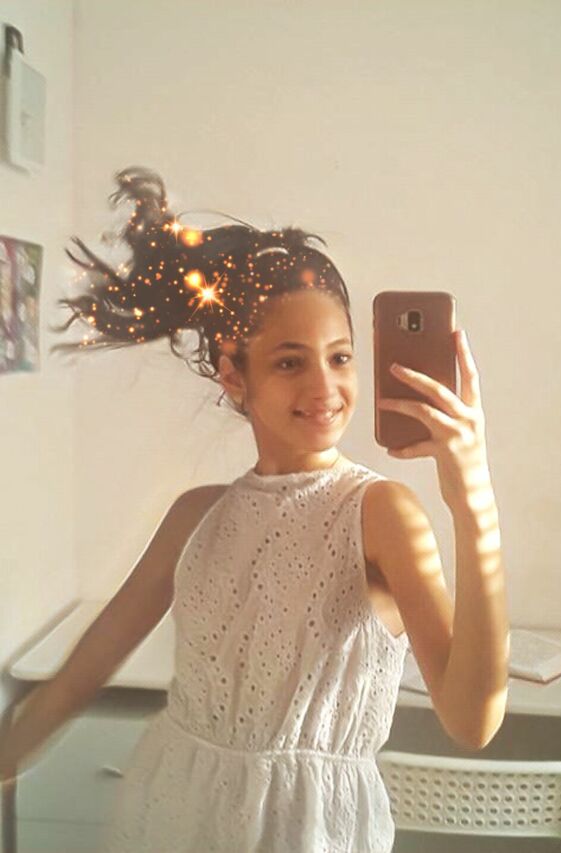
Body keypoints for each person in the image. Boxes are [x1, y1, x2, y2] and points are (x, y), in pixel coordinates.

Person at [0, 167, 509, 852]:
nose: (325, 387)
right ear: (233, 374)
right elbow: (80, 674)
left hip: (307, 832)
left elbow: (472, 721)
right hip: (172, 811)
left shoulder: (381, 512)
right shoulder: (194, 516)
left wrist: (473, 501)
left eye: (340, 357)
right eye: (291, 363)